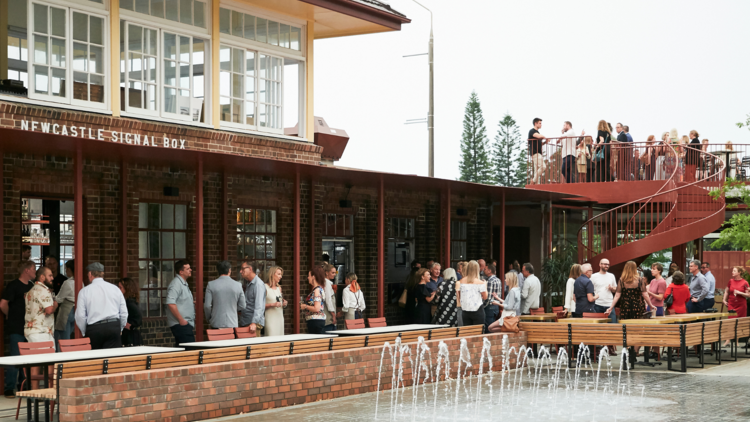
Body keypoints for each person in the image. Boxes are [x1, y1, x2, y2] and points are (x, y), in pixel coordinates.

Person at [75, 262, 128, 350]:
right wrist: (120, 328)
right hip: (113, 326)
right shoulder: (115, 289)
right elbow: (124, 313)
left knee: (96, 361)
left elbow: (80, 316)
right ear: (102, 274)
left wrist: (85, 332)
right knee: (113, 359)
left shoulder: (84, 291)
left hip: (94, 329)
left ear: (90, 274)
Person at [0, 261, 35, 397]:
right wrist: (9, 315)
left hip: (29, 327)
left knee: (27, 359)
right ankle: (10, 387)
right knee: (15, 357)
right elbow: (3, 304)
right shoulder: (14, 285)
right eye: (33, 269)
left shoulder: (32, 286)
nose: (35, 271)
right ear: (26, 270)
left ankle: (24, 384)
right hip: (17, 327)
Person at [204, 261, 246, 329]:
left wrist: (209, 318)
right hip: (232, 323)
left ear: (218, 270)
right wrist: (232, 308)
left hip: (216, 322)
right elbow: (243, 305)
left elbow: (207, 306)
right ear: (229, 270)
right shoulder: (238, 285)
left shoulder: (211, 285)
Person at [24, 266, 57, 345]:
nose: (52, 278)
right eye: (50, 276)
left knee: (36, 356)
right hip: (42, 332)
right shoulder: (44, 290)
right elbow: (49, 310)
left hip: (32, 331)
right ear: (42, 277)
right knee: (47, 356)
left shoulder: (31, 290)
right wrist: (55, 304)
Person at [166, 260, 195, 347]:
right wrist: (181, 320)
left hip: (185, 324)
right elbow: (170, 303)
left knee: (182, 350)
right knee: (190, 350)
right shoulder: (176, 284)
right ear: (181, 272)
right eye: (188, 268)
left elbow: (179, 300)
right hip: (181, 324)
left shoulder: (183, 283)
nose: (191, 270)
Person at [238, 261, 266, 336]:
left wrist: (254, 322)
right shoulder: (249, 283)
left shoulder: (258, 284)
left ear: (250, 269)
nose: (241, 271)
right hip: (247, 322)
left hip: (253, 325)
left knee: (253, 347)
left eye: (243, 269)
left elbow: (259, 306)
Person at [723, 266, 749, 346]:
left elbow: (748, 295)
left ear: (739, 272)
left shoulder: (745, 283)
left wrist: (740, 293)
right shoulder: (730, 281)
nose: (732, 272)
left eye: (734, 271)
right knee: (731, 321)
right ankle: (728, 340)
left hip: (741, 305)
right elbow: (727, 291)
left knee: (739, 323)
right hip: (731, 304)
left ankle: (736, 342)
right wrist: (724, 300)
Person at [54, 259, 76, 349]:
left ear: (69, 270)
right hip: (76, 309)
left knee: (63, 337)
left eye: (66, 269)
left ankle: (61, 358)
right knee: (70, 334)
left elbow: (59, 298)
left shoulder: (68, 283)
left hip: (67, 310)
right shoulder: (80, 281)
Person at [459, 261, 487, 327]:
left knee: (468, 333)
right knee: (478, 334)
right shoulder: (480, 282)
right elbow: (485, 297)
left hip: (465, 310)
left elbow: (460, 295)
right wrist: (485, 285)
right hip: (477, 310)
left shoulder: (461, 281)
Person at [301, 267, 327, 334]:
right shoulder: (319, 289)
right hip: (317, 321)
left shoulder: (317, 290)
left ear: (313, 277)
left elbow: (317, 308)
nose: (308, 278)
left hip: (315, 321)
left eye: (309, 276)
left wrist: (305, 306)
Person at [118, 278, 142, 346]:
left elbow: (138, 317)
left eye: (120, 287)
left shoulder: (129, 303)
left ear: (127, 289)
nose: (118, 290)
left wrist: (131, 325)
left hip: (130, 336)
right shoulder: (130, 301)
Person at [264, 265, 286, 336]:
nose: (280, 276)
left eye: (281, 274)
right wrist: (272, 304)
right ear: (272, 274)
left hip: (280, 318)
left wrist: (284, 303)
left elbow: (280, 301)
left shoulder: (279, 288)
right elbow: (260, 305)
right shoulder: (265, 287)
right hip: (271, 319)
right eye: (279, 274)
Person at [482, 264, 502, 329]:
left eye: (485, 269)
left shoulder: (490, 281)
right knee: (493, 327)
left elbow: (488, 298)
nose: (483, 270)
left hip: (490, 307)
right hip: (496, 306)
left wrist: (483, 306)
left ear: (489, 271)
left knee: (488, 328)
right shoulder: (498, 280)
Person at [528, 118, 547, 184]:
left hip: (538, 153)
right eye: (540, 123)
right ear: (535, 123)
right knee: (543, 167)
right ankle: (533, 181)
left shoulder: (538, 132)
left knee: (536, 170)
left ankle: (536, 184)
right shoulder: (532, 131)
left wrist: (544, 142)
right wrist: (545, 137)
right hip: (535, 153)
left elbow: (539, 143)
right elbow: (537, 136)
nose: (541, 124)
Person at [322, 264, 338, 332]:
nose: (334, 274)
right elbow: (328, 300)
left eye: (335, 272)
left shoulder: (328, 283)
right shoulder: (327, 284)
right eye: (333, 272)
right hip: (328, 314)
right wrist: (333, 315)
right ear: (327, 272)